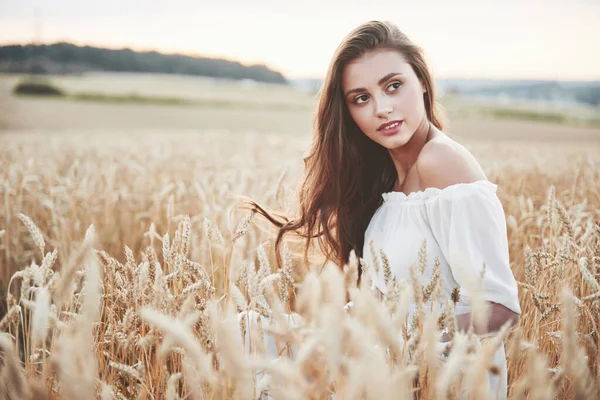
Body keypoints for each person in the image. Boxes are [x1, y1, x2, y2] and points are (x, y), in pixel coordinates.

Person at [239, 20, 521, 399]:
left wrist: (400, 344)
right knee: (249, 332)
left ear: (421, 81)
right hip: (386, 367)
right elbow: (386, 301)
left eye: (393, 86)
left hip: (442, 379)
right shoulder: (388, 175)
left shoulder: (443, 161)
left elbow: (501, 308)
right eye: (361, 98)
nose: (382, 109)